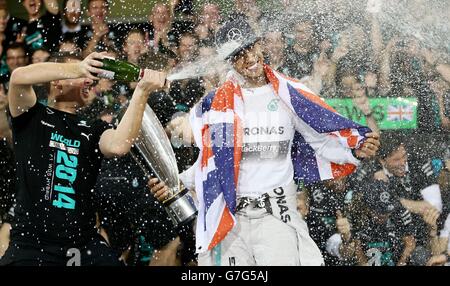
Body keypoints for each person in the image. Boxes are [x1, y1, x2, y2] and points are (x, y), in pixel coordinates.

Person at [152, 17, 380, 266]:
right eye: (238, 55)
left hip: (276, 215)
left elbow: (322, 143)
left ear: (260, 45)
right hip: (229, 218)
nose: (248, 58)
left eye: (250, 48)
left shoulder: (289, 94)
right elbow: (213, 162)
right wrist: (175, 184)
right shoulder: (218, 104)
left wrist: (354, 152)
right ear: (229, 62)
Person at [0, 51, 166, 266]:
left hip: (82, 244)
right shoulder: (31, 115)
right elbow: (18, 77)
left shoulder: (93, 129)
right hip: (33, 245)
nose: (90, 80)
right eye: (84, 75)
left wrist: (142, 92)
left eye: (91, 75)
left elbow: (118, 145)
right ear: (57, 81)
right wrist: (79, 67)